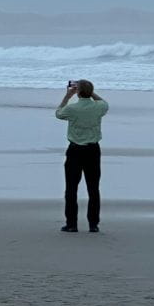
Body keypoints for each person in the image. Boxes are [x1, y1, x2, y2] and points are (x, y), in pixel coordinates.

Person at [55, 79, 109, 233]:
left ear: (77, 92)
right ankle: (93, 224)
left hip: (75, 150)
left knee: (71, 188)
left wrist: (67, 96)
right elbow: (104, 102)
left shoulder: (72, 108)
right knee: (93, 188)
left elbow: (59, 113)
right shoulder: (98, 107)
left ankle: (71, 224)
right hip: (93, 150)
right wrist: (90, 92)